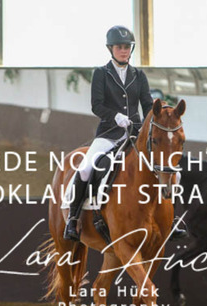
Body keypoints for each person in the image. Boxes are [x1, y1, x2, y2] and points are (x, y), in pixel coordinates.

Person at [63, 25, 153, 241]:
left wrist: (150, 124)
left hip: (135, 134)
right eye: (119, 47)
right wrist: (115, 116)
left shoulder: (139, 75)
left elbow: (148, 105)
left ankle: (172, 220)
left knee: (164, 168)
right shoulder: (101, 74)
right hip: (109, 133)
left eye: (127, 47)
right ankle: (73, 219)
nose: (123, 51)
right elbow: (97, 105)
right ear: (111, 49)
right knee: (85, 168)